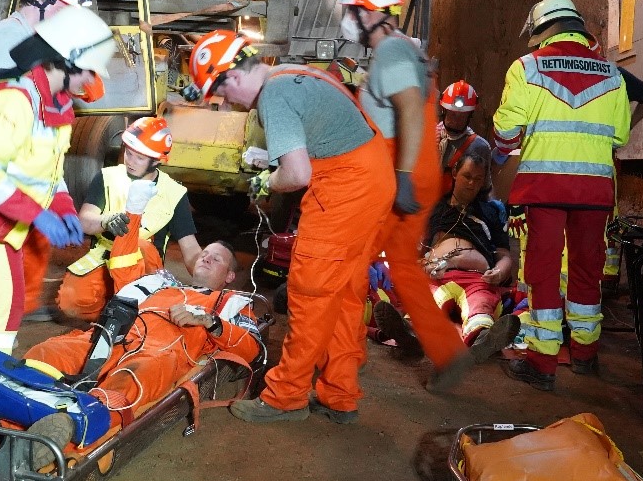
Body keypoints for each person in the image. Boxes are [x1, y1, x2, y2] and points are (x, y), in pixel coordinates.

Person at [187, 28, 394, 423]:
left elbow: (297, 174)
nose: (229, 104)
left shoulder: (274, 97)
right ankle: (339, 394)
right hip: (372, 176)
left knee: (311, 291)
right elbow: (317, 139)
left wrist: (267, 180)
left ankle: (286, 396)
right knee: (346, 293)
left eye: (224, 94)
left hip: (345, 187)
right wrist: (272, 158)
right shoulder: (289, 73)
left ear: (232, 77)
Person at [0, 6, 115, 368]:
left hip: (4, 210)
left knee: (7, 304)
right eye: (89, 70)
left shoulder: (58, 107)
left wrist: (61, 207)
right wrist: (38, 217)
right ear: (67, 59)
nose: (90, 81)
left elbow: (50, 171)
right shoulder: (14, 99)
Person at [340, 0, 480, 392]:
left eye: (351, 9)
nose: (346, 16)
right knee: (403, 265)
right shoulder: (406, 50)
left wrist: (398, 178)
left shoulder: (392, 53)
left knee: (347, 263)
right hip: (410, 172)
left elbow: (407, 107)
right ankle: (447, 352)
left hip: (392, 172)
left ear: (370, 13)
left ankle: (342, 359)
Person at [491, 0, 631, 391]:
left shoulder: (526, 69)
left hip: (544, 188)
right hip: (594, 191)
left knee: (542, 274)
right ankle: (585, 356)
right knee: (587, 273)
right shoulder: (612, 75)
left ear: (540, 30)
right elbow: (620, 134)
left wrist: (504, 151)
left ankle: (542, 363)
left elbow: (505, 132)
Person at [23, 236, 263, 448]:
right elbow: (122, 287)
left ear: (230, 275)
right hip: (114, 335)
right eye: (204, 254)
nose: (206, 259)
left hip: (157, 353)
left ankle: (71, 425)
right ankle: (16, 401)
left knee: (131, 380)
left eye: (217, 259)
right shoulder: (160, 284)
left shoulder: (230, 303)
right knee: (48, 352)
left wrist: (211, 321)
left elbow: (253, 350)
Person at [0, 0, 94, 323]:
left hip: (27, 149)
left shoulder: (38, 41)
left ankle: (21, 304)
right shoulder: (7, 39)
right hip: (6, 148)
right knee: (9, 230)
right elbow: (7, 103)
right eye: (65, 9)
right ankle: (6, 305)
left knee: (32, 226)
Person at [373, 150, 520, 354]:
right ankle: (409, 335)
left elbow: (504, 255)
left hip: (478, 279)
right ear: (455, 174)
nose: (471, 184)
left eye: (478, 180)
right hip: (437, 276)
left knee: (480, 306)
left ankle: (483, 341)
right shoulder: (434, 208)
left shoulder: (491, 212)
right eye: (467, 177)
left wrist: (500, 272)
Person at [58, 116, 201, 320]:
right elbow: (85, 220)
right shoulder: (107, 177)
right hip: (105, 260)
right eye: (128, 153)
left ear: (157, 161)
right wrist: (105, 221)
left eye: (139, 158)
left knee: (138, 244)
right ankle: (117, 313)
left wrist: (206, 273)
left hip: (144, 268)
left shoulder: (173, 193)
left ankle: (137, 309)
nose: (130, 161)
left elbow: (190, 249)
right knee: (73, 301)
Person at [437, 80, 492, 196]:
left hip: (457, 209)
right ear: (444, 111)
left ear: (470, 116)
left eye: (462, 116)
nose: (456, 120)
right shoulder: (428, 137)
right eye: (452, 114)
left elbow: (485, 189)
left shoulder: (479, 147)